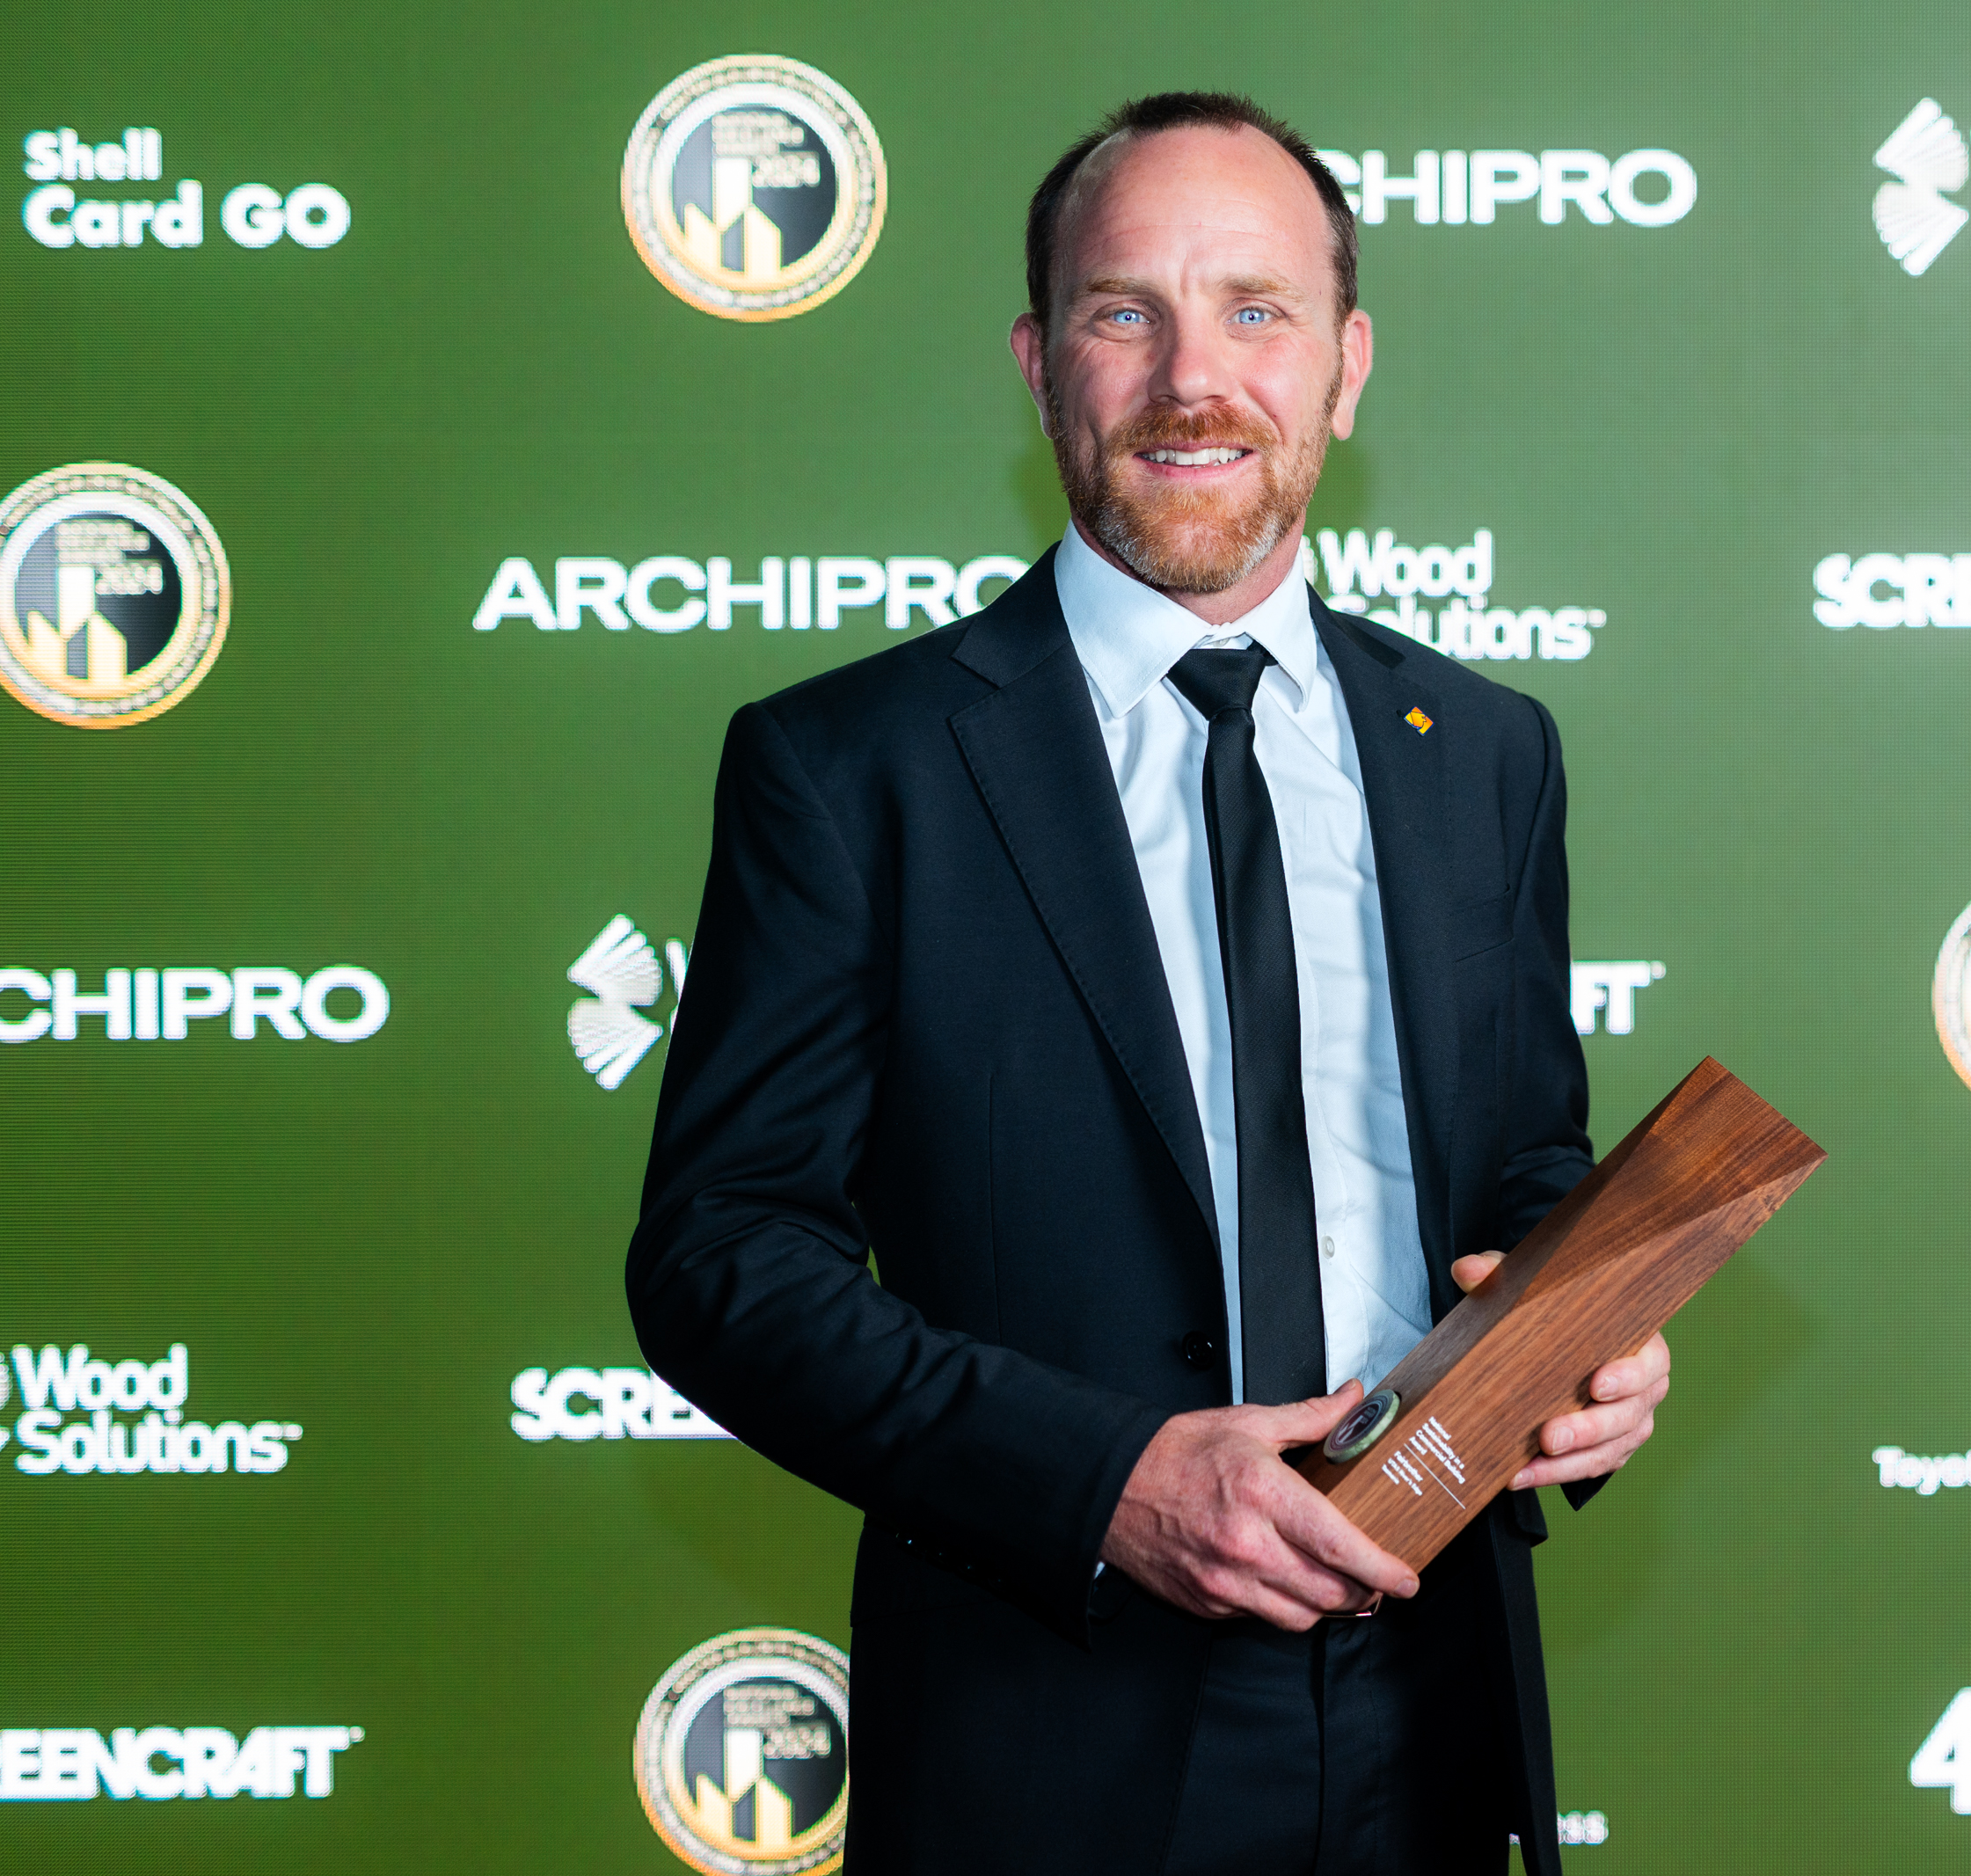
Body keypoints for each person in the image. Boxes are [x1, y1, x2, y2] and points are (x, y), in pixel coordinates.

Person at [628, 90, 1672, 1876]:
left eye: (1255, 309)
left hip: (1431, 1715)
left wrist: (1581, 1335)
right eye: (1128, 312)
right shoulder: (853, 765)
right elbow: (724, 1253)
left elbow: (1522, 1161)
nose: (1196, 376)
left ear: (1345, 366)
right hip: (1050, 1728)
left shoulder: (1480, 750)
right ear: (1041, 365)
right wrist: (1105, 1477)